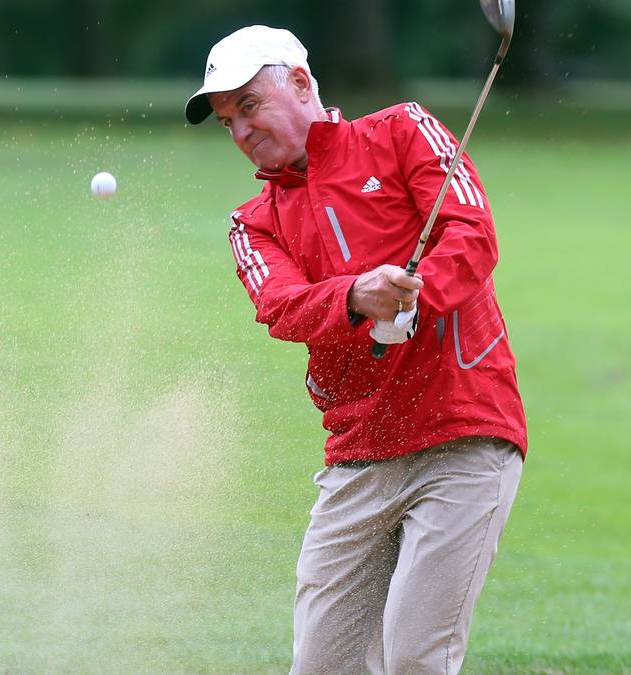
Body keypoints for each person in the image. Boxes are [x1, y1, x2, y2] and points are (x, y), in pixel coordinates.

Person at [186, 25, 528, 675]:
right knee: (321, 666)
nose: (241, 131)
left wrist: (417, 295)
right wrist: (355, 296)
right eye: (228, 120)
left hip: (462, 432)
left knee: (415, 659)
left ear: (301, 83)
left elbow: (471, 232)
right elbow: (280, 306)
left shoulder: (401, 131)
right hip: (358, 455)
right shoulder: (253, 222)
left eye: (249, 106)